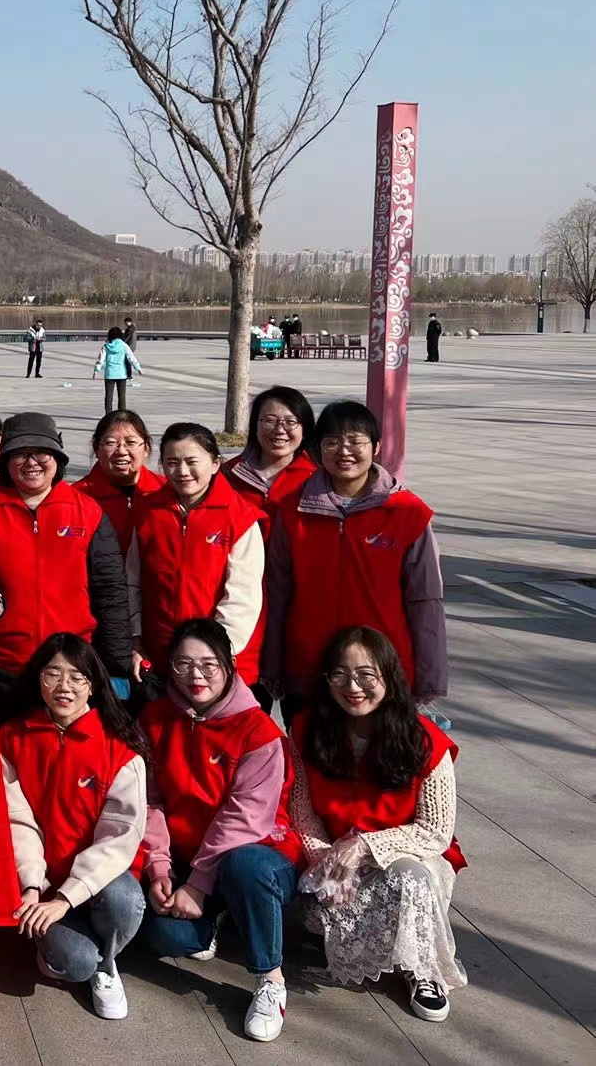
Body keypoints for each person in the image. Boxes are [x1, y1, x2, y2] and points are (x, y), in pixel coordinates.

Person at [289, 626, 467, 1021]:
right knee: (314, 910)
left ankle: (422, 969)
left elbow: (434, 831)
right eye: (340, 674)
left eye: (366, 675)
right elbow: (301, 807)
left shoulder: (425, 741)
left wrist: (365, 846)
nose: (353, 687)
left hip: (406, 856)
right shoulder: (305, 730)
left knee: (410, 876)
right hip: (332, 858)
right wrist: (326, 864)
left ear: (388, 677)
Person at [137, 619, 301, 1042]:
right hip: (186, 854)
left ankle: (270, 979)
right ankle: (217, 917)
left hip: (259, 852)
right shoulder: (154, 719)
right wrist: (159, 868)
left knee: (245, 866)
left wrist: (198, 884)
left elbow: (243, 817)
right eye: (183, 664)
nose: (196, 676)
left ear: (229, 666)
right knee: (164, 935)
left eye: (208, 665)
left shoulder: (258, 731)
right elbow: (148, 800)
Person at [262, 401, 447, 722]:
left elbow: (425, 600)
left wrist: (430, 677)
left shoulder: (407, 513)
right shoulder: (293, 512)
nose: (344, 451)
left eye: (355, 441)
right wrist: (273, 665)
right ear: (318, 450)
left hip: (380, 675)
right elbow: (277, 593)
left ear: (376, 447)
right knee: (308, 753)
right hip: (309, 672)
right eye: (332, 442)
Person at [0, 634, 147, 1021]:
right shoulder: (12, 739)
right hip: (43, 881)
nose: (64, 686)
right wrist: (32, 885)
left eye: (77, 677)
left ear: (93, 685)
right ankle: (72, 951)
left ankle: (107, 965)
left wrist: (66, 899)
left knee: (125, 899)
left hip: (100, 881)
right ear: (38, 679)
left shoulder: (120, 751)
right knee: (76, 963)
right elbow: (16, 820)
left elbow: (119, 840)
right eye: (53, 674)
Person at [0, 413, 133, 704]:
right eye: (20, 454)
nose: (31, 462)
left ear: (57, 458)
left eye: (41, 453)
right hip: (4, 665)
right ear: (6, 461)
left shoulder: (87, 511)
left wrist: (116, 665)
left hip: (72, 665)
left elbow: (110, 591)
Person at [127, 423, 265, 686]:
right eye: (172, 462)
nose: (182, 472)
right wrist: (135, 637)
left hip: (218, 662)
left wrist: (211, 654)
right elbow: (132, 581)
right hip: (158, 657)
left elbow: (242, 598)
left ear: (215, 463)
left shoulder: (239, 517)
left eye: (192, 462)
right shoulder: (148, 513)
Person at [220, 386, 318, 537]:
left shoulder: (317, 477)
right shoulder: (229, 474)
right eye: (269, 420)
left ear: (305, 429)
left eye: (290, 422)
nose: (279, 430)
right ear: (255, 426)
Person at [72, 411, 165, 555]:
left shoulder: (165, 490)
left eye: (131, 443)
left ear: (146, 448)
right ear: (96, 449)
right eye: (111, 443)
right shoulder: (76, 497)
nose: (121, 451)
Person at [93, 327, 142, 414]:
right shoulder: (124, 345)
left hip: (109, 374)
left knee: (108, 396)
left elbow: (100, 360)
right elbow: (131, 358)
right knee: (122, 396)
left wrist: (96, 370)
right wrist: (138, 368)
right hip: (121, 374)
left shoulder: (106, 346)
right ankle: (121, 414)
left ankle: (108, 415)